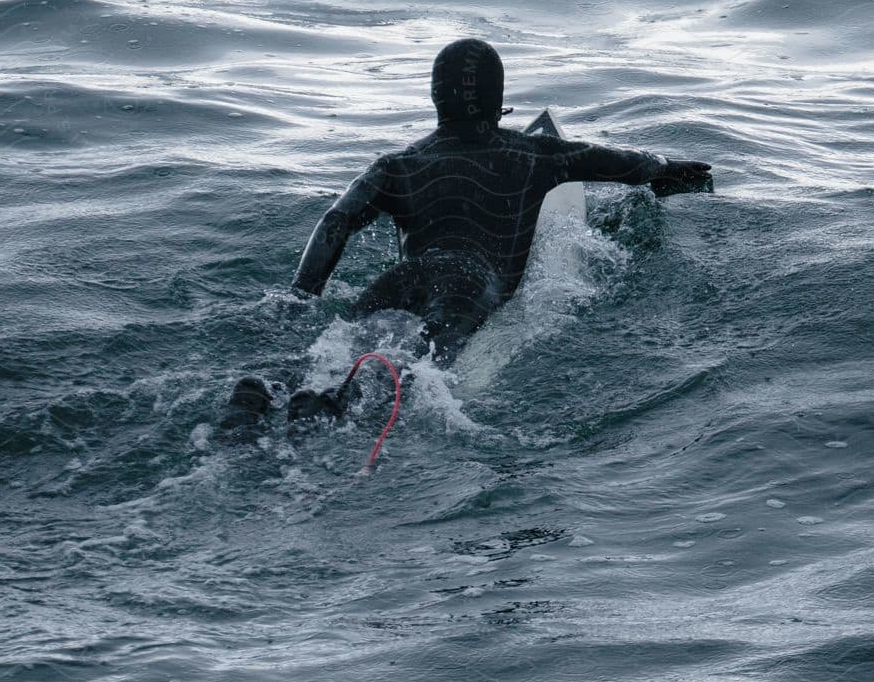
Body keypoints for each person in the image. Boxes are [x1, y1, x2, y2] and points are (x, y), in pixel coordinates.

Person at [217, 38, 711, 438]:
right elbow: (622, 162)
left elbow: (334, 223)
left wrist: (303, 293)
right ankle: (340, 407)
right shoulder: (537, 154)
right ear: (498, 101)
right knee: (429, 366)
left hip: (402, 277)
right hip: (469, 283)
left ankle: (269, 391)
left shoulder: (398, 164)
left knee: (335, 346)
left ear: (435, 98)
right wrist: (671, 170)